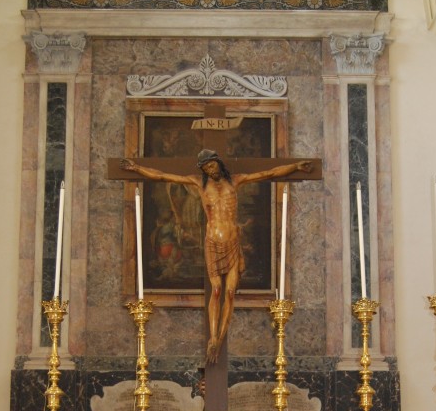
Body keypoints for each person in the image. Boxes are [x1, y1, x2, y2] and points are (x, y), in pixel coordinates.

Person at [122, 149, 313, 362]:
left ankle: (220, 339)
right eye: (205, 168)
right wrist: (137, 168)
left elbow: (269, 173)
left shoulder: (236, 181)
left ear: (218, 163)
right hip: (213, 242)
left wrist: (295, 166)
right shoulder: (199, 183)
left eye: (211, 165)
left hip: (232, 242)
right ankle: (212, 337)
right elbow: (162, 176)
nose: (210, 170)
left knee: (230, 293)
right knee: (216, 290)